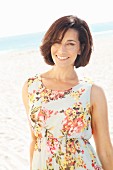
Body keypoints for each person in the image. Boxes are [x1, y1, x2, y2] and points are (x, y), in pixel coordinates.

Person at [22, 15, 113, 170]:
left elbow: (105, 150)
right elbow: (35, 140)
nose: (61, 50)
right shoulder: (31, 87)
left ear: (80, 48)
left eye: (70, 44)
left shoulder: (92, 92)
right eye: (57, 42)